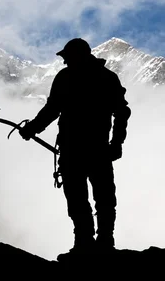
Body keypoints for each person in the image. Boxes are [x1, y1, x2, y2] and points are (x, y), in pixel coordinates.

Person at [18, 38, 131, 260]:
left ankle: (87, 242)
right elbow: (121, 112)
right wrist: (116, 143)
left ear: (77, 56)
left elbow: (52, 109)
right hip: (95, 149)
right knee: (100, 197)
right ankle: (99, 242)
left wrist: (32, 128)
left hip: (76, 150)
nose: (65, 61)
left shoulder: (67, 78)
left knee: (81, 197)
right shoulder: (105, 78)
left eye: (67, 57)